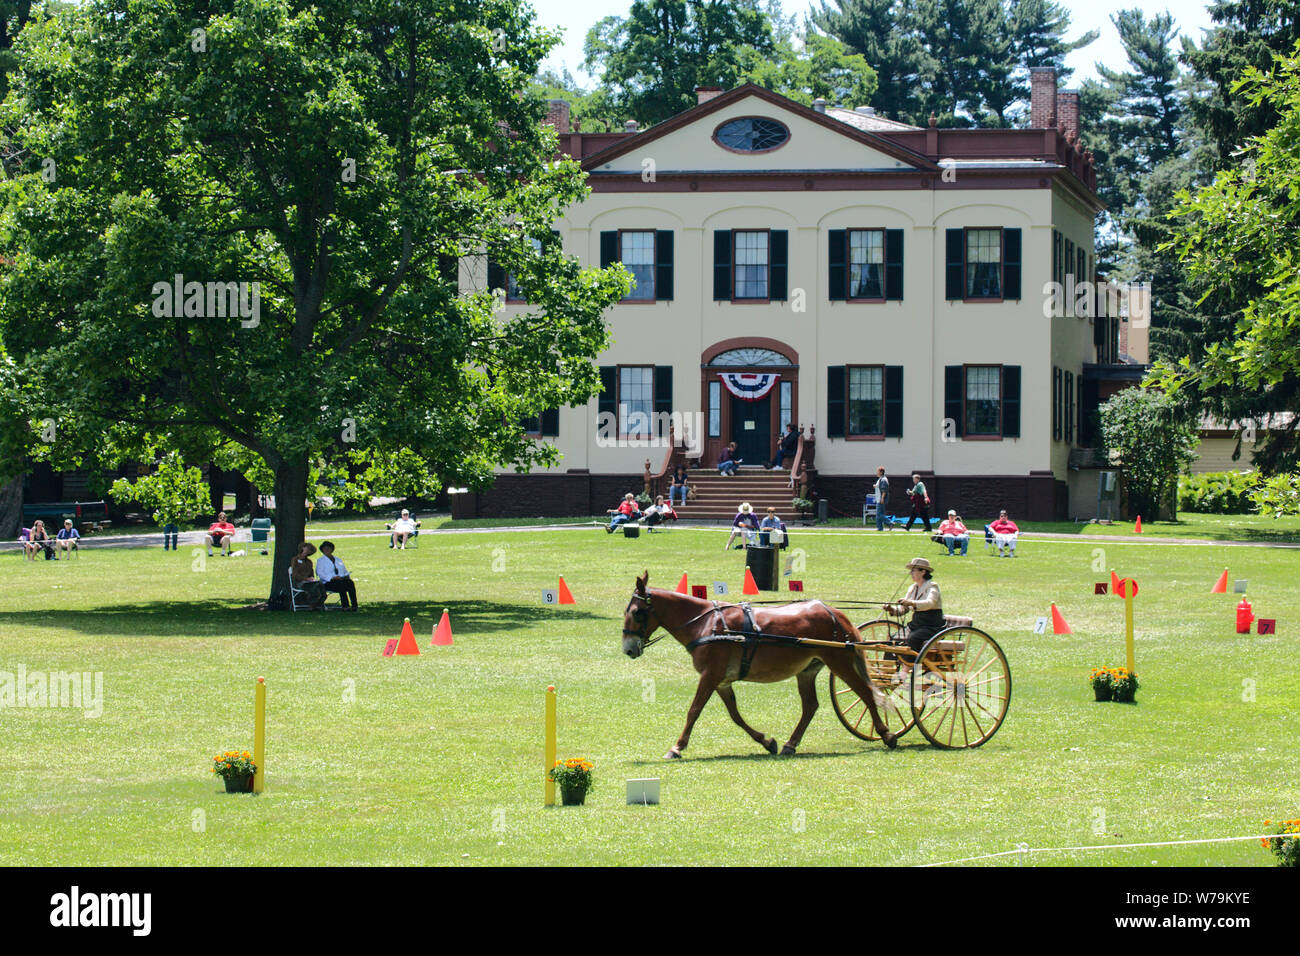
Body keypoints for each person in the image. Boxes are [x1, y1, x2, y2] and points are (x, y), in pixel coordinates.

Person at [884, 557, 946, 679]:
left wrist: (911, 603)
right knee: (894, 639)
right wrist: (892, 609)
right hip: (916, 624)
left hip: (932, 625)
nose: (910, 573)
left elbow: (930, 603)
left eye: (913, 570)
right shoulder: (913, 588)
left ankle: (905, 671)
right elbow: (903, 609)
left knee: (913, 638)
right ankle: (887, 670)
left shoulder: (932, 587)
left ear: (923, 572)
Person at [316, 540, 358, 610]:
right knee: (341, 585)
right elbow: (320, 573)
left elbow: (344, 570)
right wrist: (332, 578)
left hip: (340, 579)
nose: (327, 550)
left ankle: (354, 605)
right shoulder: (321, 561)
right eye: (325, 549)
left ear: (332, 549)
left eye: (328, 548)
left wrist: (346, 575)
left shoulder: (338, 560)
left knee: (350, 583)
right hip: (328, 582)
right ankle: (345, 606)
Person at [291, 542, 327, 608]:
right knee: (314, 587)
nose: (307, 550)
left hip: (309, 581)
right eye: (306, 548)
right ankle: (313, 604)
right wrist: (305, 579)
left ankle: (319, 604)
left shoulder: (309, 562)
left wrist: (311, 578)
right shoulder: (295, 560)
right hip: (299, 582)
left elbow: (311, 573)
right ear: (302, 548)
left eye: (309, 550)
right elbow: (295, 574)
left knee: (320, 585)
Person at [873, 466, 891, 532]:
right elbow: (879, 487)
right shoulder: (880, 479)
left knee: (879, 514)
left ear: (881, 472)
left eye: (877, 471)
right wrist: (876, 486)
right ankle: (880, 528)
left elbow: (884, 490)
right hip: (879, 498)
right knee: (881, 514)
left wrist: (882, 498)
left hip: (881, 499)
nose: (876, 472)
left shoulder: (883, 480)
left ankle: (890, 523)